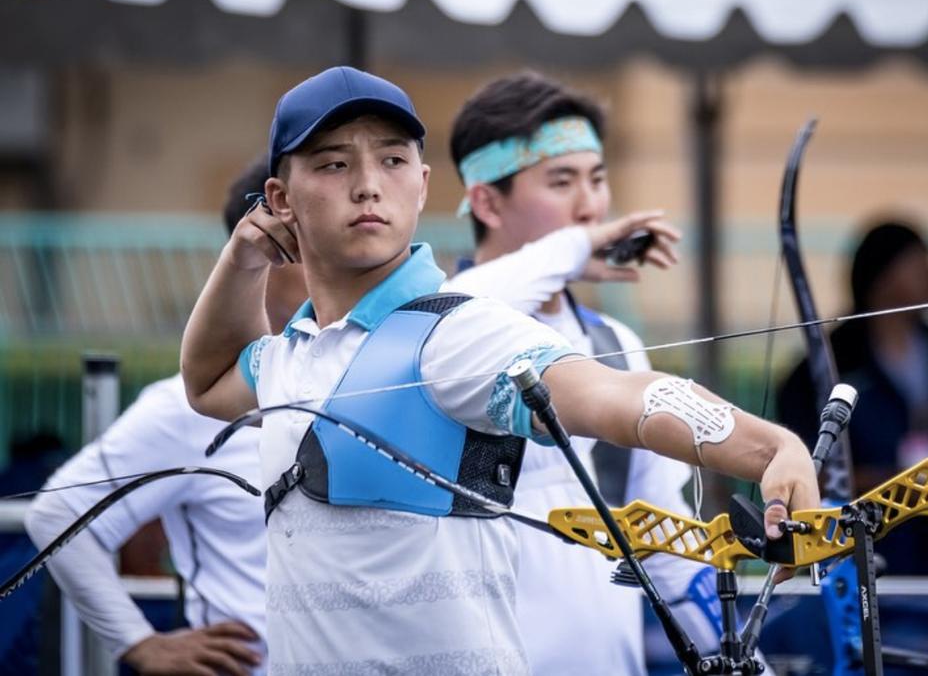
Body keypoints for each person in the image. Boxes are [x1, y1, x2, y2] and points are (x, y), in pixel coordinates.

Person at [180, 66, 820, 674]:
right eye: (333, 164)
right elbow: (207, 382)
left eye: (393, 160)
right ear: (279, 198)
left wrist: (769, 448)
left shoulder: (454, 332)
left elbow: (611, 395)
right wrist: (244, 254)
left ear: (424, 185)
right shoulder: (296, 349)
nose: (369, 183)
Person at [444, 71, 731, 673]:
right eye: (561, 181)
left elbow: (668, 543)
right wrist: (573, 251)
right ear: (486, 201)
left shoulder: (615, 344)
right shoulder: (445, 331)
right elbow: (456, 310)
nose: (590, 206)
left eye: (597, 179)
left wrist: (732, 652)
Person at [24, 158, 306, 675]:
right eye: (312, 240)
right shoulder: (187, 405)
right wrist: (139, 644)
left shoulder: (368, 373)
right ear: (270, 248)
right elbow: (57, 515)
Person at [777, 219, 928, 575]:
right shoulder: (828, 364)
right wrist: (894, 483)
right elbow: (803, 465)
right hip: (864, 551)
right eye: (917, 264)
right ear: (882, 276)